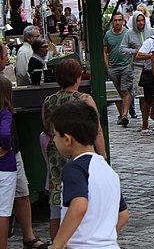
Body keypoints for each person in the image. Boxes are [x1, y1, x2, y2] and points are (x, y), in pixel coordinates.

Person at [47, 100, 128, 249]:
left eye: (55, 135)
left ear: (67, 139)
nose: (53, 139)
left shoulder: (75, 169)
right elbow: (123, 214)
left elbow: (79, 206)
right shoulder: (108, 170)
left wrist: (57, 244)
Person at [41, 59, 107, 241]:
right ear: (78, 77)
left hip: (56, 157)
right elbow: (97, 130)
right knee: (82, 198)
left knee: (56, 205)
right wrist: (103, 156)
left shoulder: (48, 100)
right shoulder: (85, 100)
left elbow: (47, 127)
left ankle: (57, 242)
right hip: (81, 155)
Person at [0, 45, 47, 249]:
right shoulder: (3, 84)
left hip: (11, 148)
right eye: (5, 56)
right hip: (8, 149)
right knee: (5, 206)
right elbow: (5, 126)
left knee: (21, 191)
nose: (7, 59)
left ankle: (28, 236)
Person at [120, 11, 154, 132]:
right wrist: (134, 51)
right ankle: (144, 121)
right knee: (141, 94)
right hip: (138, 66)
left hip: (151, 66)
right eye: (138, 21)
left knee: (153, 93)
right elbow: (122, 49)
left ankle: (152, 114)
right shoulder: (129, 33)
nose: (140, 23)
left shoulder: (151, 31)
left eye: (142, 20)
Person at [103, 12, 132, 127]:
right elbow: (105, 51)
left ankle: (125, 114)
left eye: (119, 20)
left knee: (126, 90)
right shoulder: (108, 35)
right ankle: (122, 115)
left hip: (126, 66)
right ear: (112, 22)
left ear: (123, 21)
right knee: (119, 92)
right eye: (115, 20)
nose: (117, 22)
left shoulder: (128, 33)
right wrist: (107, 66)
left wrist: (131, 63)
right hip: (113, 67)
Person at [0, 76, 17, 249]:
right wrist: (6, 146)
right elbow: (5, 134)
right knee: (3, 211)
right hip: (5, 165)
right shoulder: (5, 113)